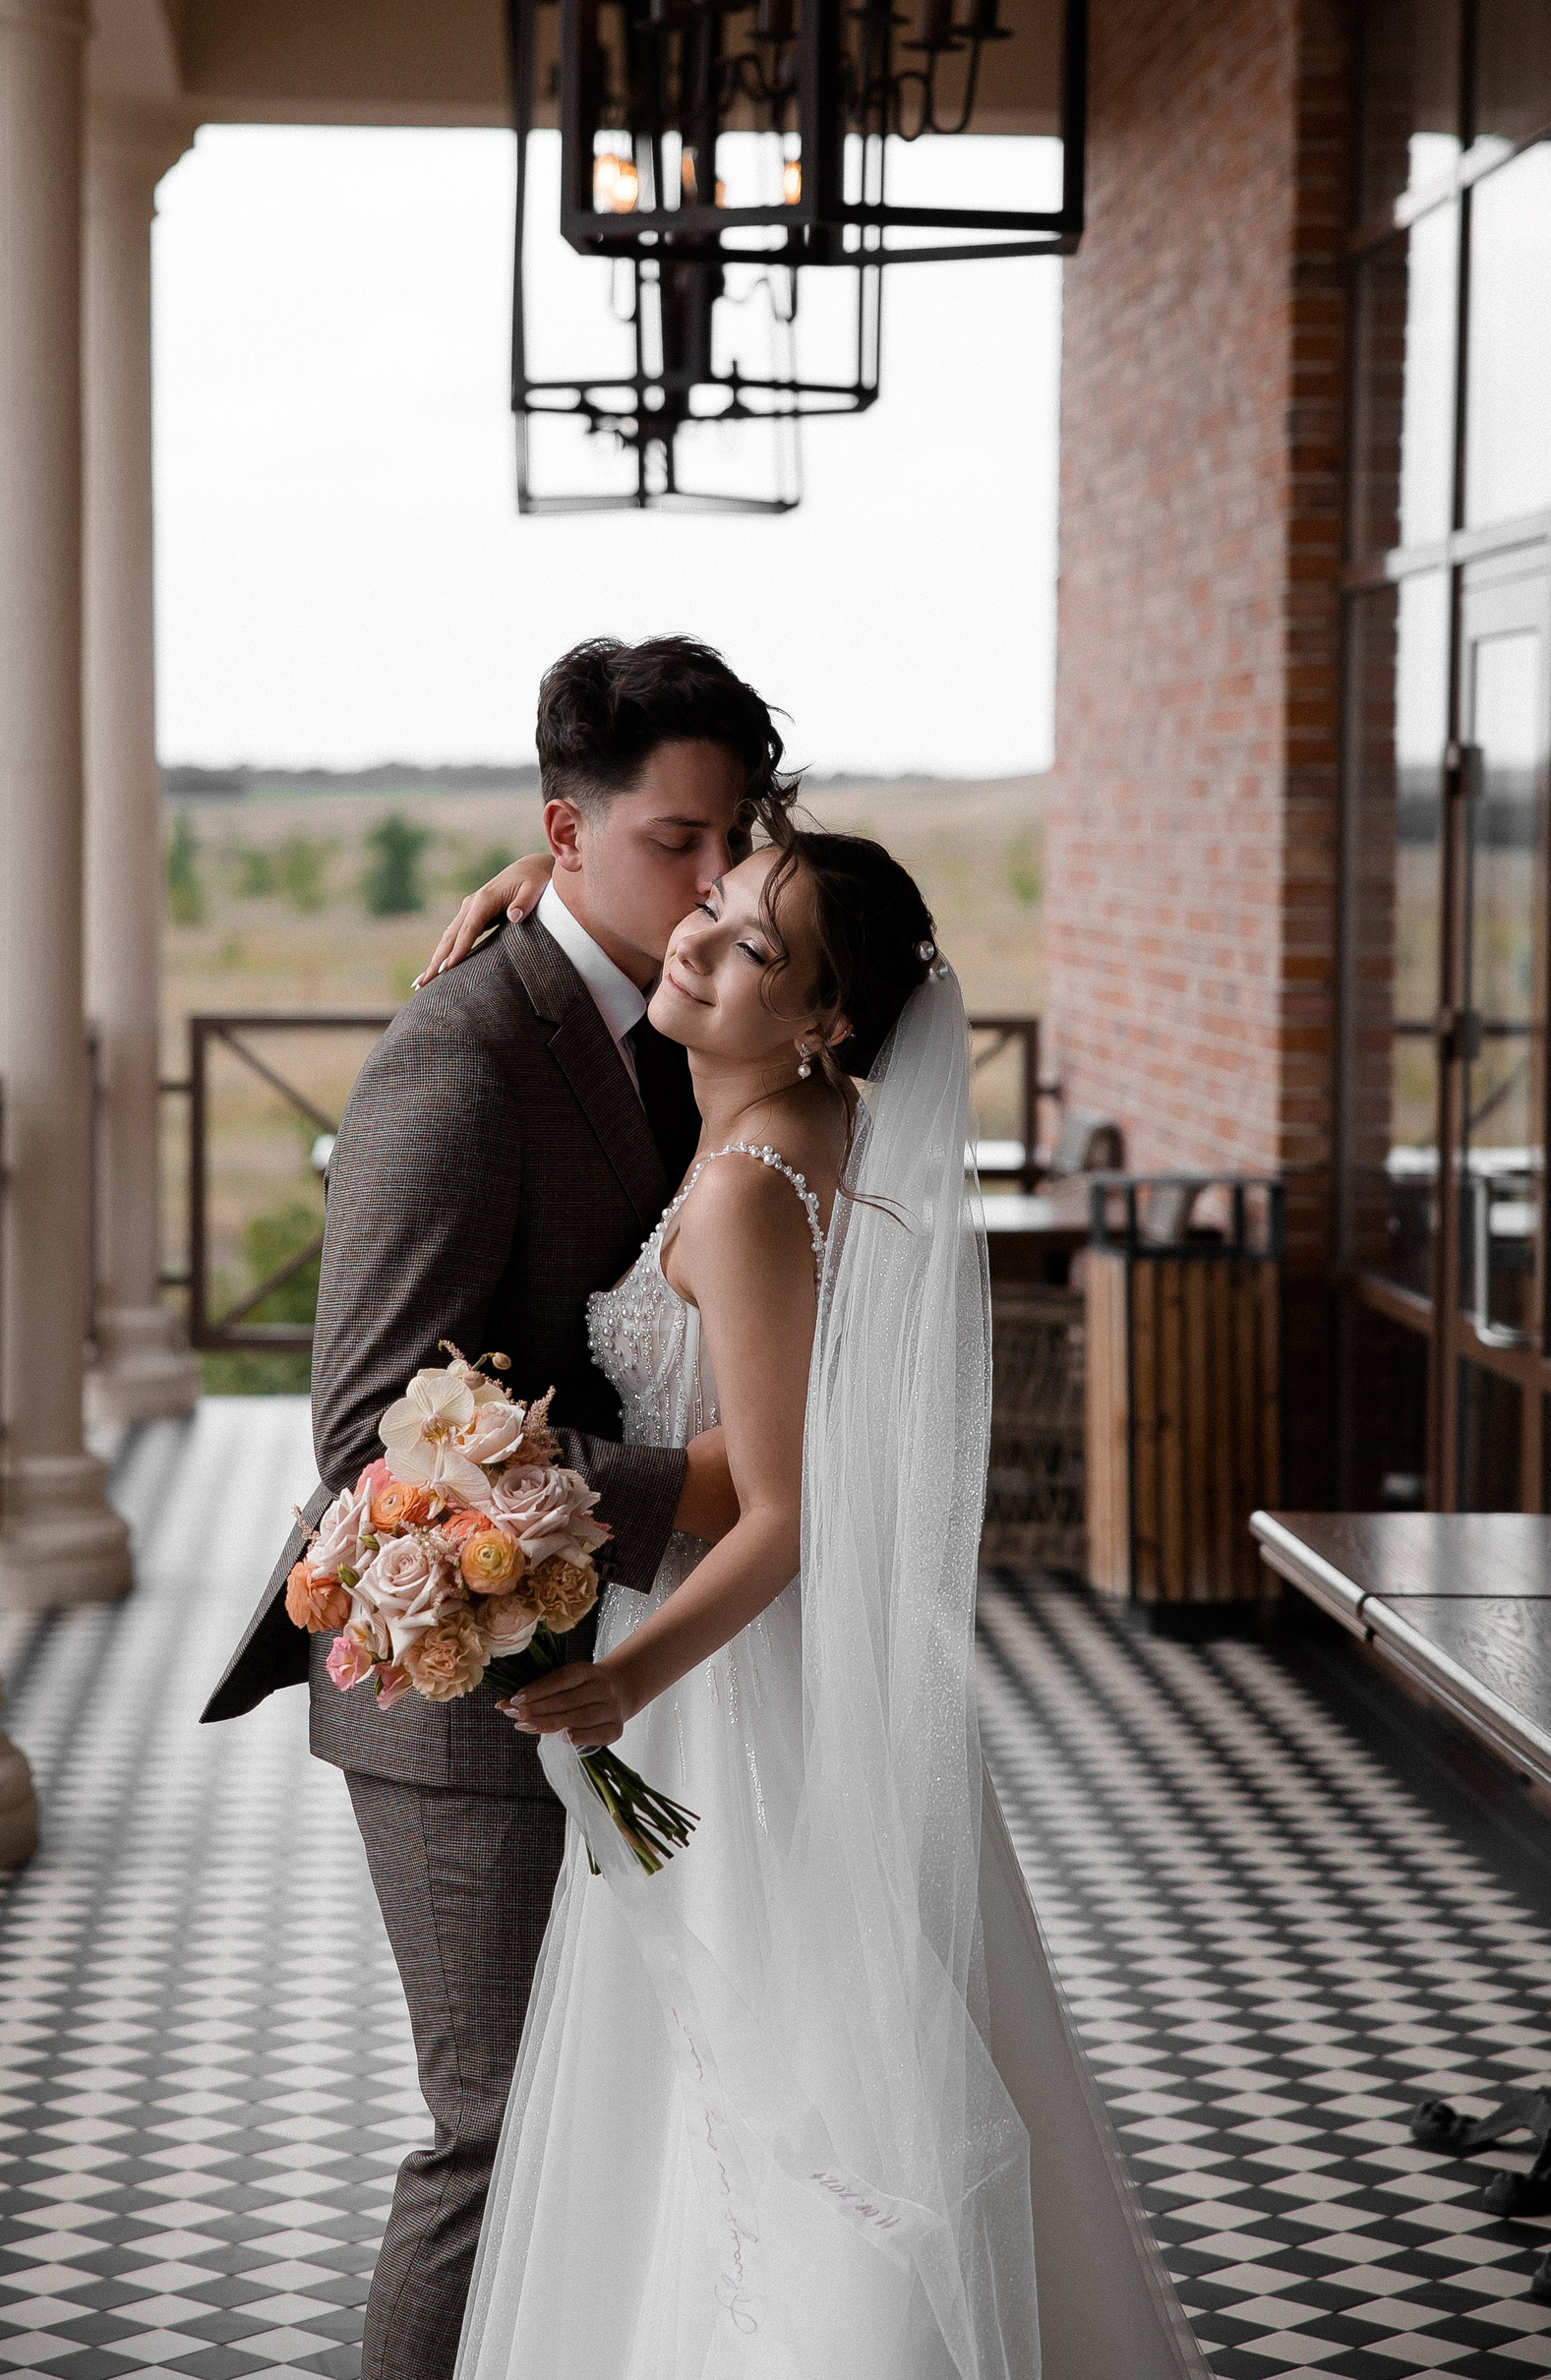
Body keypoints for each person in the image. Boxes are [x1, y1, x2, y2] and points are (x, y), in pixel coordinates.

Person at [444, 830, 1207, 2380]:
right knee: (840, 2051)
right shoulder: (818, 1122)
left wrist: (623, 1685)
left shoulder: (744, 1188)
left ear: (825, 1020)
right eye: (712, 904)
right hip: (803, 1673)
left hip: (731, 1688)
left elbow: (783, 1514)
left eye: (751, 949)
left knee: (765, 2076)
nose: (696, 941)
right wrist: (540, 875)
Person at [202, 635, 797, 2380]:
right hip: (458, 1687)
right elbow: (370, 1425)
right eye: (676, 841)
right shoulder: (459, 1054)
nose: (716, 880)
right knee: (501, 2133)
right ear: (565, 830)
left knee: (625, 2121)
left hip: (652, 1671)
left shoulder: (696, 1003)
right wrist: (699, 1487)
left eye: (737, 838)